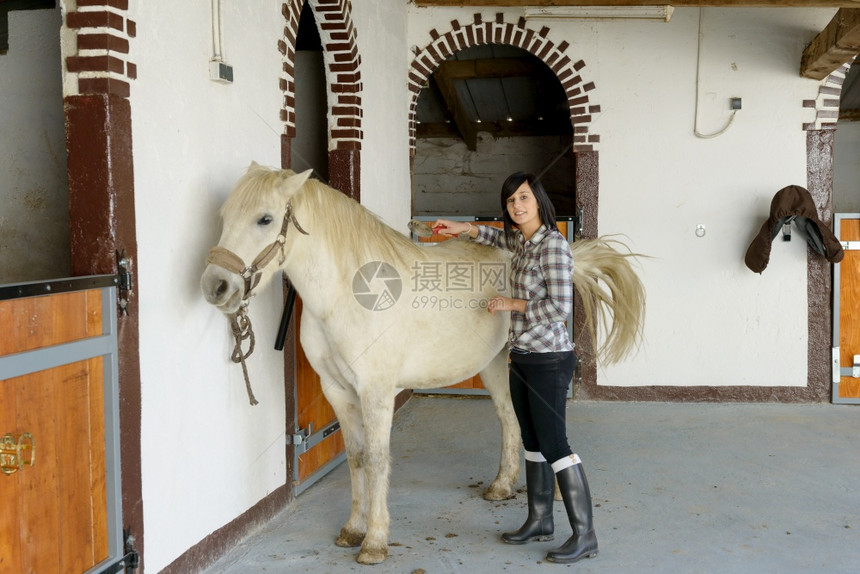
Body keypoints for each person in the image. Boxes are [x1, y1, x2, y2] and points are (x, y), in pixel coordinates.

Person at [432, 172, 598, 564]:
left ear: (538, 200)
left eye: (523, 198)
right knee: (532, 442)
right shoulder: (521, 242)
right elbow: (493, 237)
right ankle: (540, 520)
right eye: (510, 201)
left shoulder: (553, 246)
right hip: (522, 355)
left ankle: (585, 535)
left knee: (556, 445)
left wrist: (511, 305)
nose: (517, 206)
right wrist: (462, 228)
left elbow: (560, 309)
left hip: (550, 360)